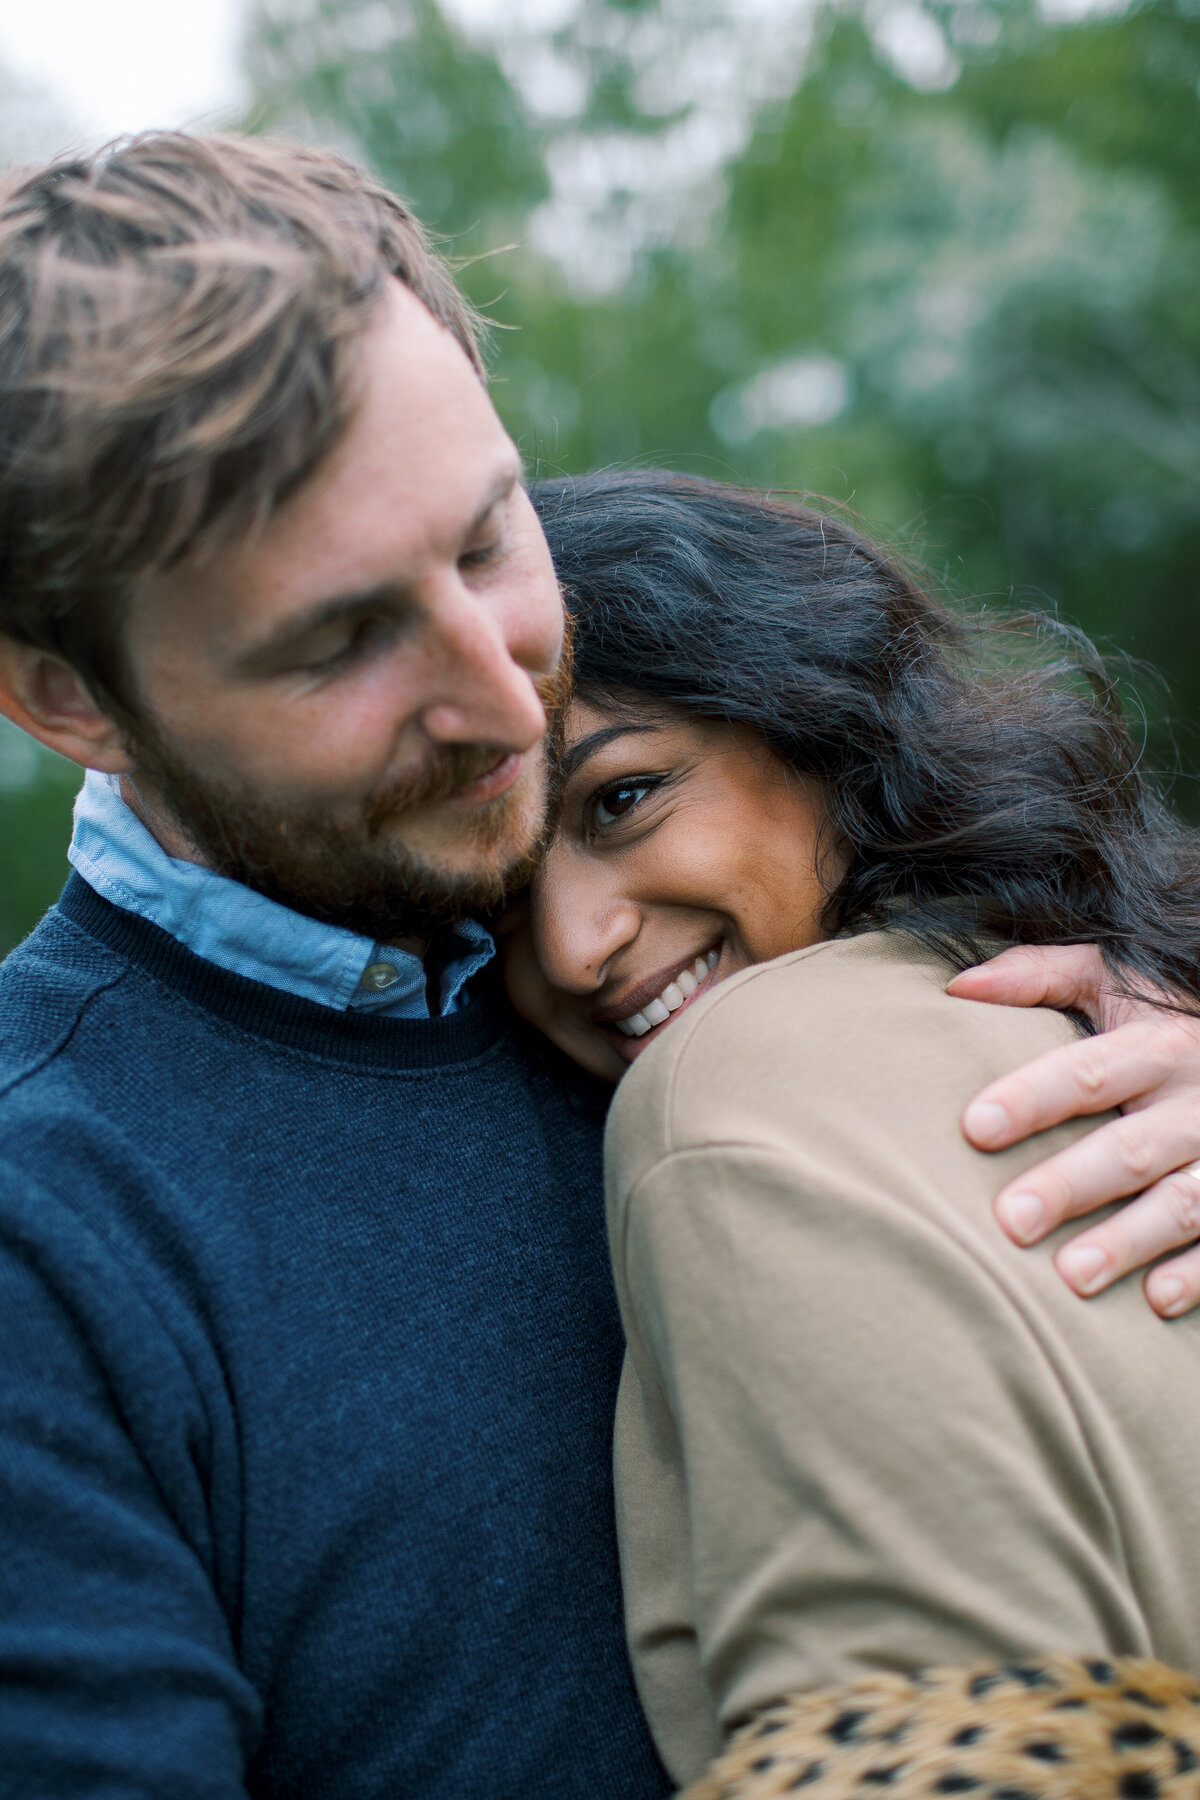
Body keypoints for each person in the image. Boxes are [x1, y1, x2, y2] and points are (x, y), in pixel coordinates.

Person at [0, 133, 1197, 1798]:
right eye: (344, 639)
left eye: (489, 539)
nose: (502, 699)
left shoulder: (859, 995)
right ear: (68, 700)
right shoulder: (46, 1234)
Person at [506, 469, 1200, 1793]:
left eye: (620, 800)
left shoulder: (725, 1093)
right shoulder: (1091, 1018)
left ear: (813, 718)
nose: (573, 945)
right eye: (498, 901)